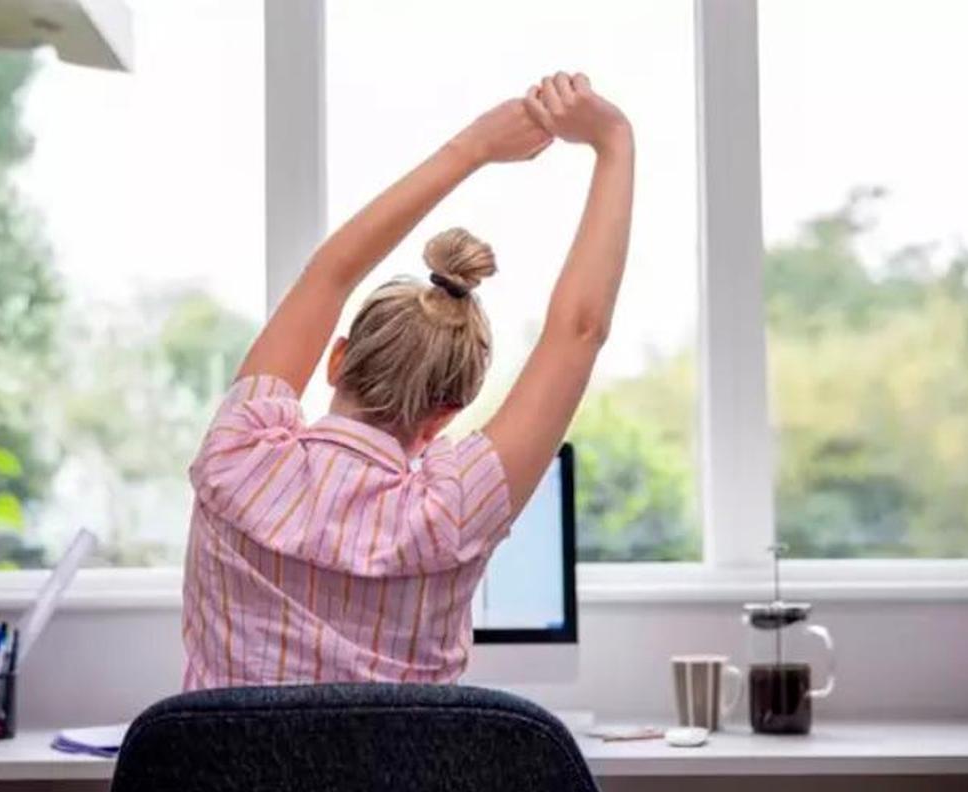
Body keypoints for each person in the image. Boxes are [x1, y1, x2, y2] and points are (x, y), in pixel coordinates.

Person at [182, 72, 634, 689]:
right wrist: (614, 142)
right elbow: (579, 333)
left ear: (337, 358)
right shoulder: (452, 510)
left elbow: (329, 276)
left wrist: (471, 149)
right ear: (447, 412)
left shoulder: (238, 453)